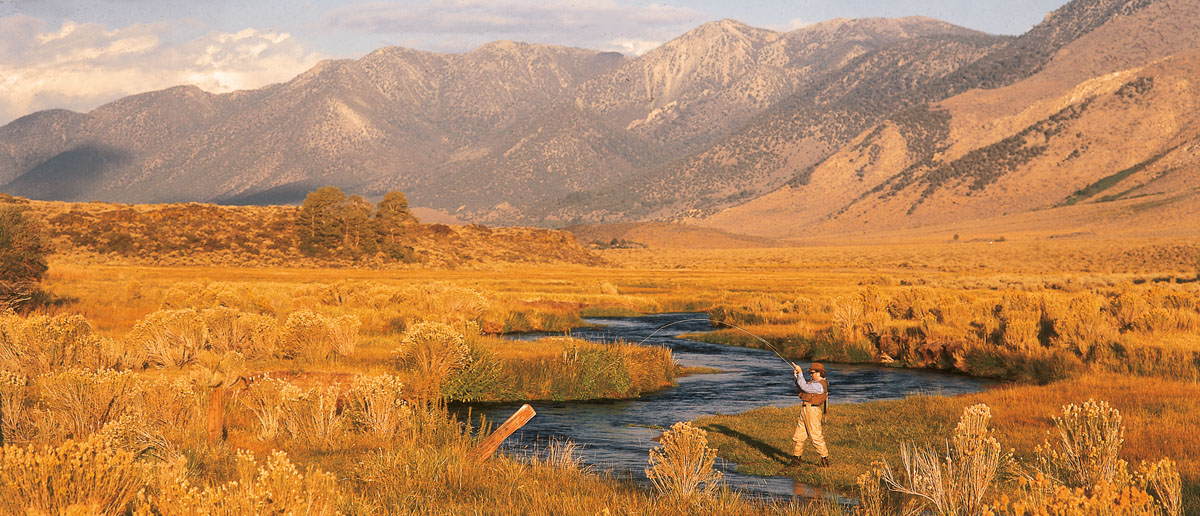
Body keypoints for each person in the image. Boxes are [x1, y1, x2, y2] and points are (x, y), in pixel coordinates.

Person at [788, 362, 829, 467]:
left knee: (815, 436)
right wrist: (797, 377)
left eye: (812, 372)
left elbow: (805, 387)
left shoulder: (819, 385)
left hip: (813, 412)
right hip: (805, 410)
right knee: (798, 436)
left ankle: (824, 460)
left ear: (819, 373)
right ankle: (796, 460)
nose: (810, 375)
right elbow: (802, 388)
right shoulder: (814, 383)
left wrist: (800, 373)